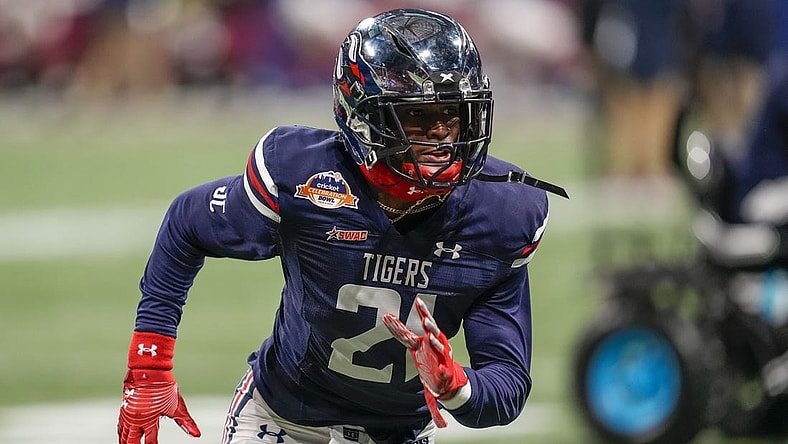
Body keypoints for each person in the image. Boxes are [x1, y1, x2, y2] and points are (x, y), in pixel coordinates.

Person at [117, 8, 566, 444]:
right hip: (283, 417)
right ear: (363, 117)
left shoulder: (503, 215)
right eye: (417, 117)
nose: (442, 137)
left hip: (399, 433)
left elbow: (506, 387)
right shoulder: (307, 179)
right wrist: (150, 366)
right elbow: (187, 224)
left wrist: (456, 387)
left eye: (452, 114)